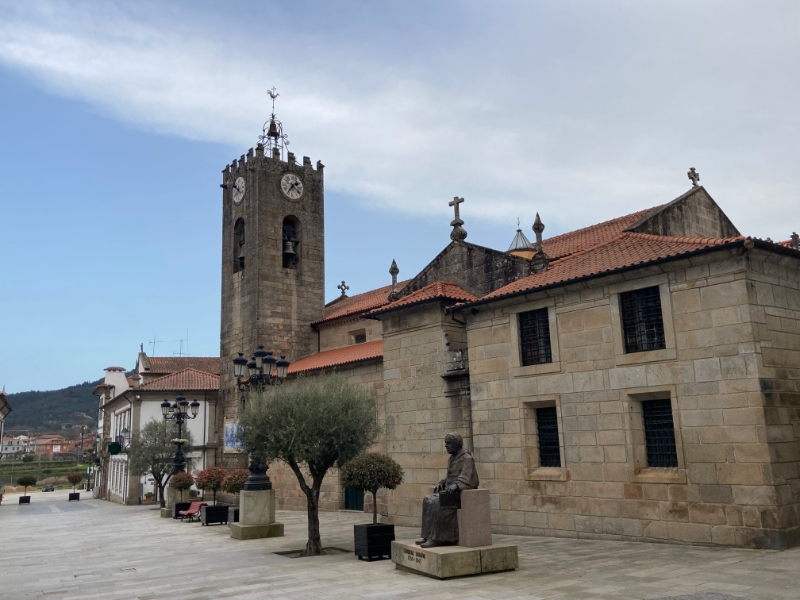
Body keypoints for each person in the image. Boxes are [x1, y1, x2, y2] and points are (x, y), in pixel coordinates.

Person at [416, 432, 479, 548]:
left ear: (456, 444)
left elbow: (467, 477)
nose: (446, 446)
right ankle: (427, 536)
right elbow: (451, 477)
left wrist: (457, 485)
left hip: (459, 494)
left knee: (437, 503)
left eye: (448, 443)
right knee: (427, 499)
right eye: (446, 443)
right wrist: (443, 482)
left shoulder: (467, 458)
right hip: (450, 493)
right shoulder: (452, 458)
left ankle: (437, 538)